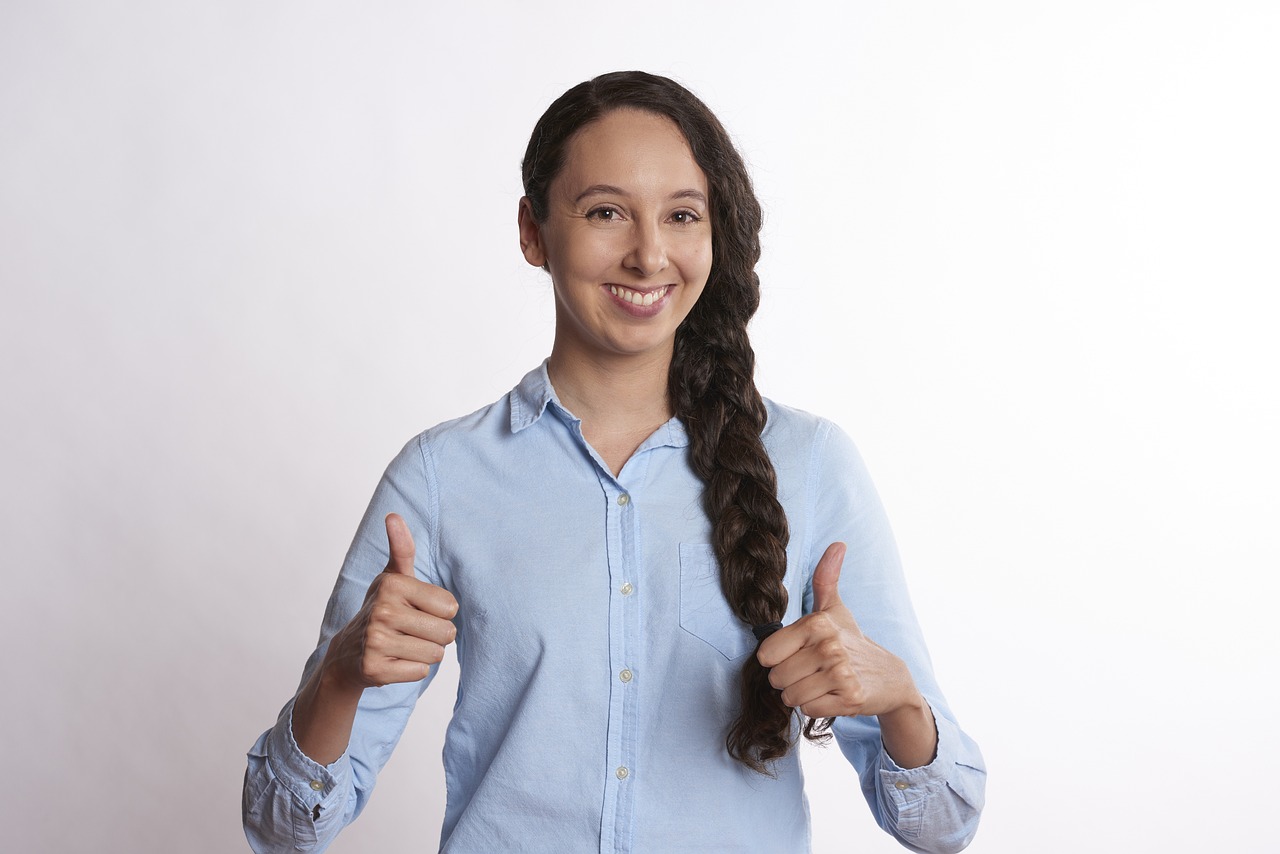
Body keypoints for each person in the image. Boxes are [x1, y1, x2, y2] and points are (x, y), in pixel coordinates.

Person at [243, 70, 986, 853]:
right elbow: (282, 829)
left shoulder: (811, 464)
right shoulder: (441, 477)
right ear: (532, 231)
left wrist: (898, 699)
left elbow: (942, 826)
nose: (648, 254)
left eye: (682, 215)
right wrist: (339, 677)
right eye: (605, 212)